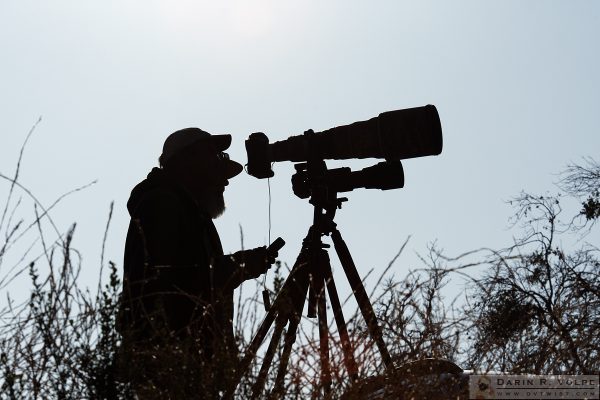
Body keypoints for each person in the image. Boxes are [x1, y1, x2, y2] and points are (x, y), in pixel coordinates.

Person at [117, 128, 276, 398]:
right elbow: (168, 287)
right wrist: (237, 267)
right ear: (186, 164)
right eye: (215, 168)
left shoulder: (191, 213)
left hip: (190, 368)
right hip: (169, 368)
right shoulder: (163, 204)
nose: (224, 183)